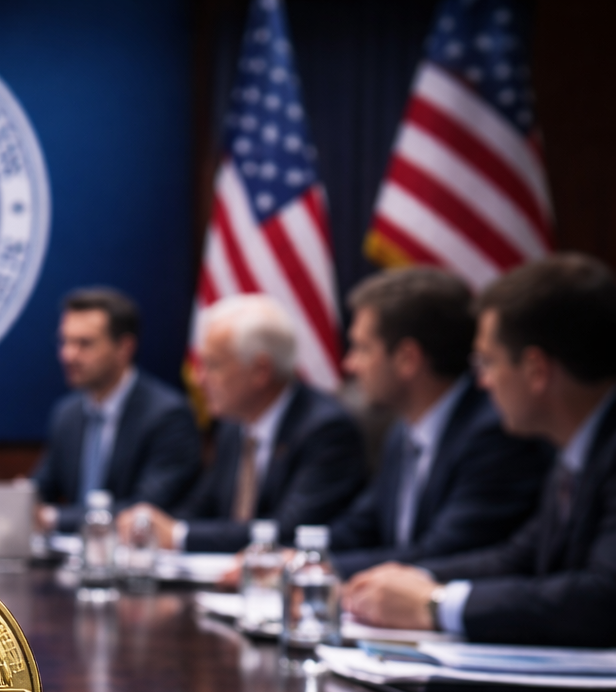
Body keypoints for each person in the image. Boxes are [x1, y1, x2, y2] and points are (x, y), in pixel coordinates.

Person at [345, 253, 616, 647]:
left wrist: (437, 604)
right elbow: (518, 557)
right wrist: (411, 582)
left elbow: (604, 598)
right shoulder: (576, 451)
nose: (482, 383)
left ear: (536, 370)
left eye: (488, 362)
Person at [327, 267, 551, 576]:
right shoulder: (402, 430)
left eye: (362, 348)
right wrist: (294, 557)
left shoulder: (495, 433)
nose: (349, 364)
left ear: (407, 358)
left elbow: (443, 552)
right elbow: (360, 527)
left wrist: (321, 569)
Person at [124, 294, 367, 552]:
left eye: (213, 365)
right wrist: (156, 526)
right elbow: (203, 505)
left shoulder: (325, 430)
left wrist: (179, 535)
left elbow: (288, 529)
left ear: (260, 371)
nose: (198, 379)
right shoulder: (234, 424)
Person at [31, 288, 200, 533]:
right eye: (65, 341)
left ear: (124, 347)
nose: (68, 355)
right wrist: (15, 502)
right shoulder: (67, 413)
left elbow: (144, 508)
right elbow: (43, 486)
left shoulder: (168, 415)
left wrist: (52, 518)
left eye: (84, 344)